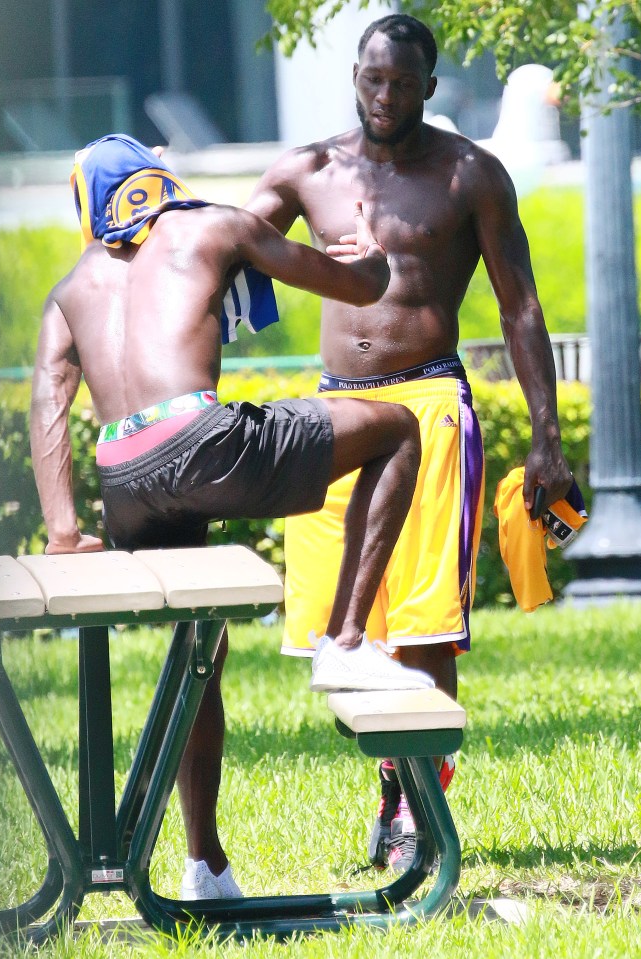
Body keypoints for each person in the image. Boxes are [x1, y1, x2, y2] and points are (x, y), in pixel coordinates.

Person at [30, 133, 436, 902]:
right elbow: (355, 287)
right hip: (201, 442)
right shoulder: (211, 223)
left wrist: (62, 530)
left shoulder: (72, 283)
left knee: (198, 651)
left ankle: (205, 865)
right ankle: (346, 642)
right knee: (396, 430)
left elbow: (49, 404)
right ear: (158, 183)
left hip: (125, 478)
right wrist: (374, 258)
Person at [246, 13, 573, 872]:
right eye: (371, 78)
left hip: (427, 401)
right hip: (334, 413)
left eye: (401, 82)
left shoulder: (470, 174)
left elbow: (520, 304)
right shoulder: (309, 169)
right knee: (337, 627)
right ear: (354, 76)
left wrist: (546, 438)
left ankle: (413, 808)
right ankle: (392, 789)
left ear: (430, 86)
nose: (383, 96)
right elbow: (221, 250)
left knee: (422, 623)